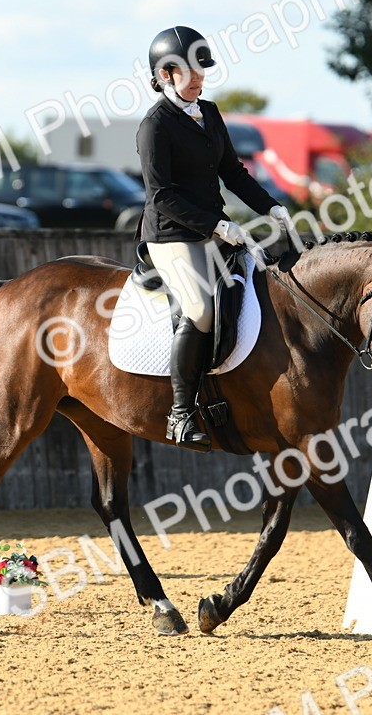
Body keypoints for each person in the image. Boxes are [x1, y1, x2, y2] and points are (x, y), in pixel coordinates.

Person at [136, 25, 292, 451]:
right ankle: (180, 414)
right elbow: (161, 196)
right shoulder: (154, 126)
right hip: (172, 236)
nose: (199, 78)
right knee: (201, 310)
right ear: (166, 74)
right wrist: (217, 226)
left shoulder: (209, 112)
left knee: (263, 284)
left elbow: (233, 173)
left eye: (202, 70)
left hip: (211, 230)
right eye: (190, 71)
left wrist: (270, 207)